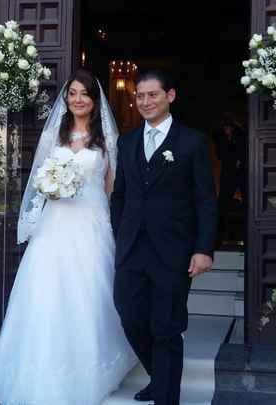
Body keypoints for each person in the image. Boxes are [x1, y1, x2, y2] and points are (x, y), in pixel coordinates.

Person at [0, 69, 137, 405]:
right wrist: (49, 191)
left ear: (95, 100)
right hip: (54, 226)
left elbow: (113, 189)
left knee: (89, 293)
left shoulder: (107, 141)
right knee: (47, 294)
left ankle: (92, 366)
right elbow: (39, 180)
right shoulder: (53, 137)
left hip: (91, 223)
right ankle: (42, 369)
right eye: (72, 93)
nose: (78, 99)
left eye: (84, 93)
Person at [110, 70, 218, 405]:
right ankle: (161, 378)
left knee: (166, 327)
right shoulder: (126, 142)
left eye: (152, 95)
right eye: (139, 96)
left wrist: (203, 249)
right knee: (129, 315)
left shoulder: (192, 141)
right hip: (132, 249)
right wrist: (120, 232)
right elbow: (120, 196)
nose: (145, 102)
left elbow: (205, 199)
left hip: (173, 251)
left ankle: (166, 397)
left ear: (169, 96)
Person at [214, 114, 247, 245]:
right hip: (228, 173)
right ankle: (219, 238)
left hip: (243, 173)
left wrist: (238, 160)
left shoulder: (241, 135)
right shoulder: (221, 138)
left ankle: (247, 236)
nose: (227, 129)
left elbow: (243, 151)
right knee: (222, 205)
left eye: (229, 127)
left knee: (248, 204)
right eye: (225, 127)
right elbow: (221, 155)